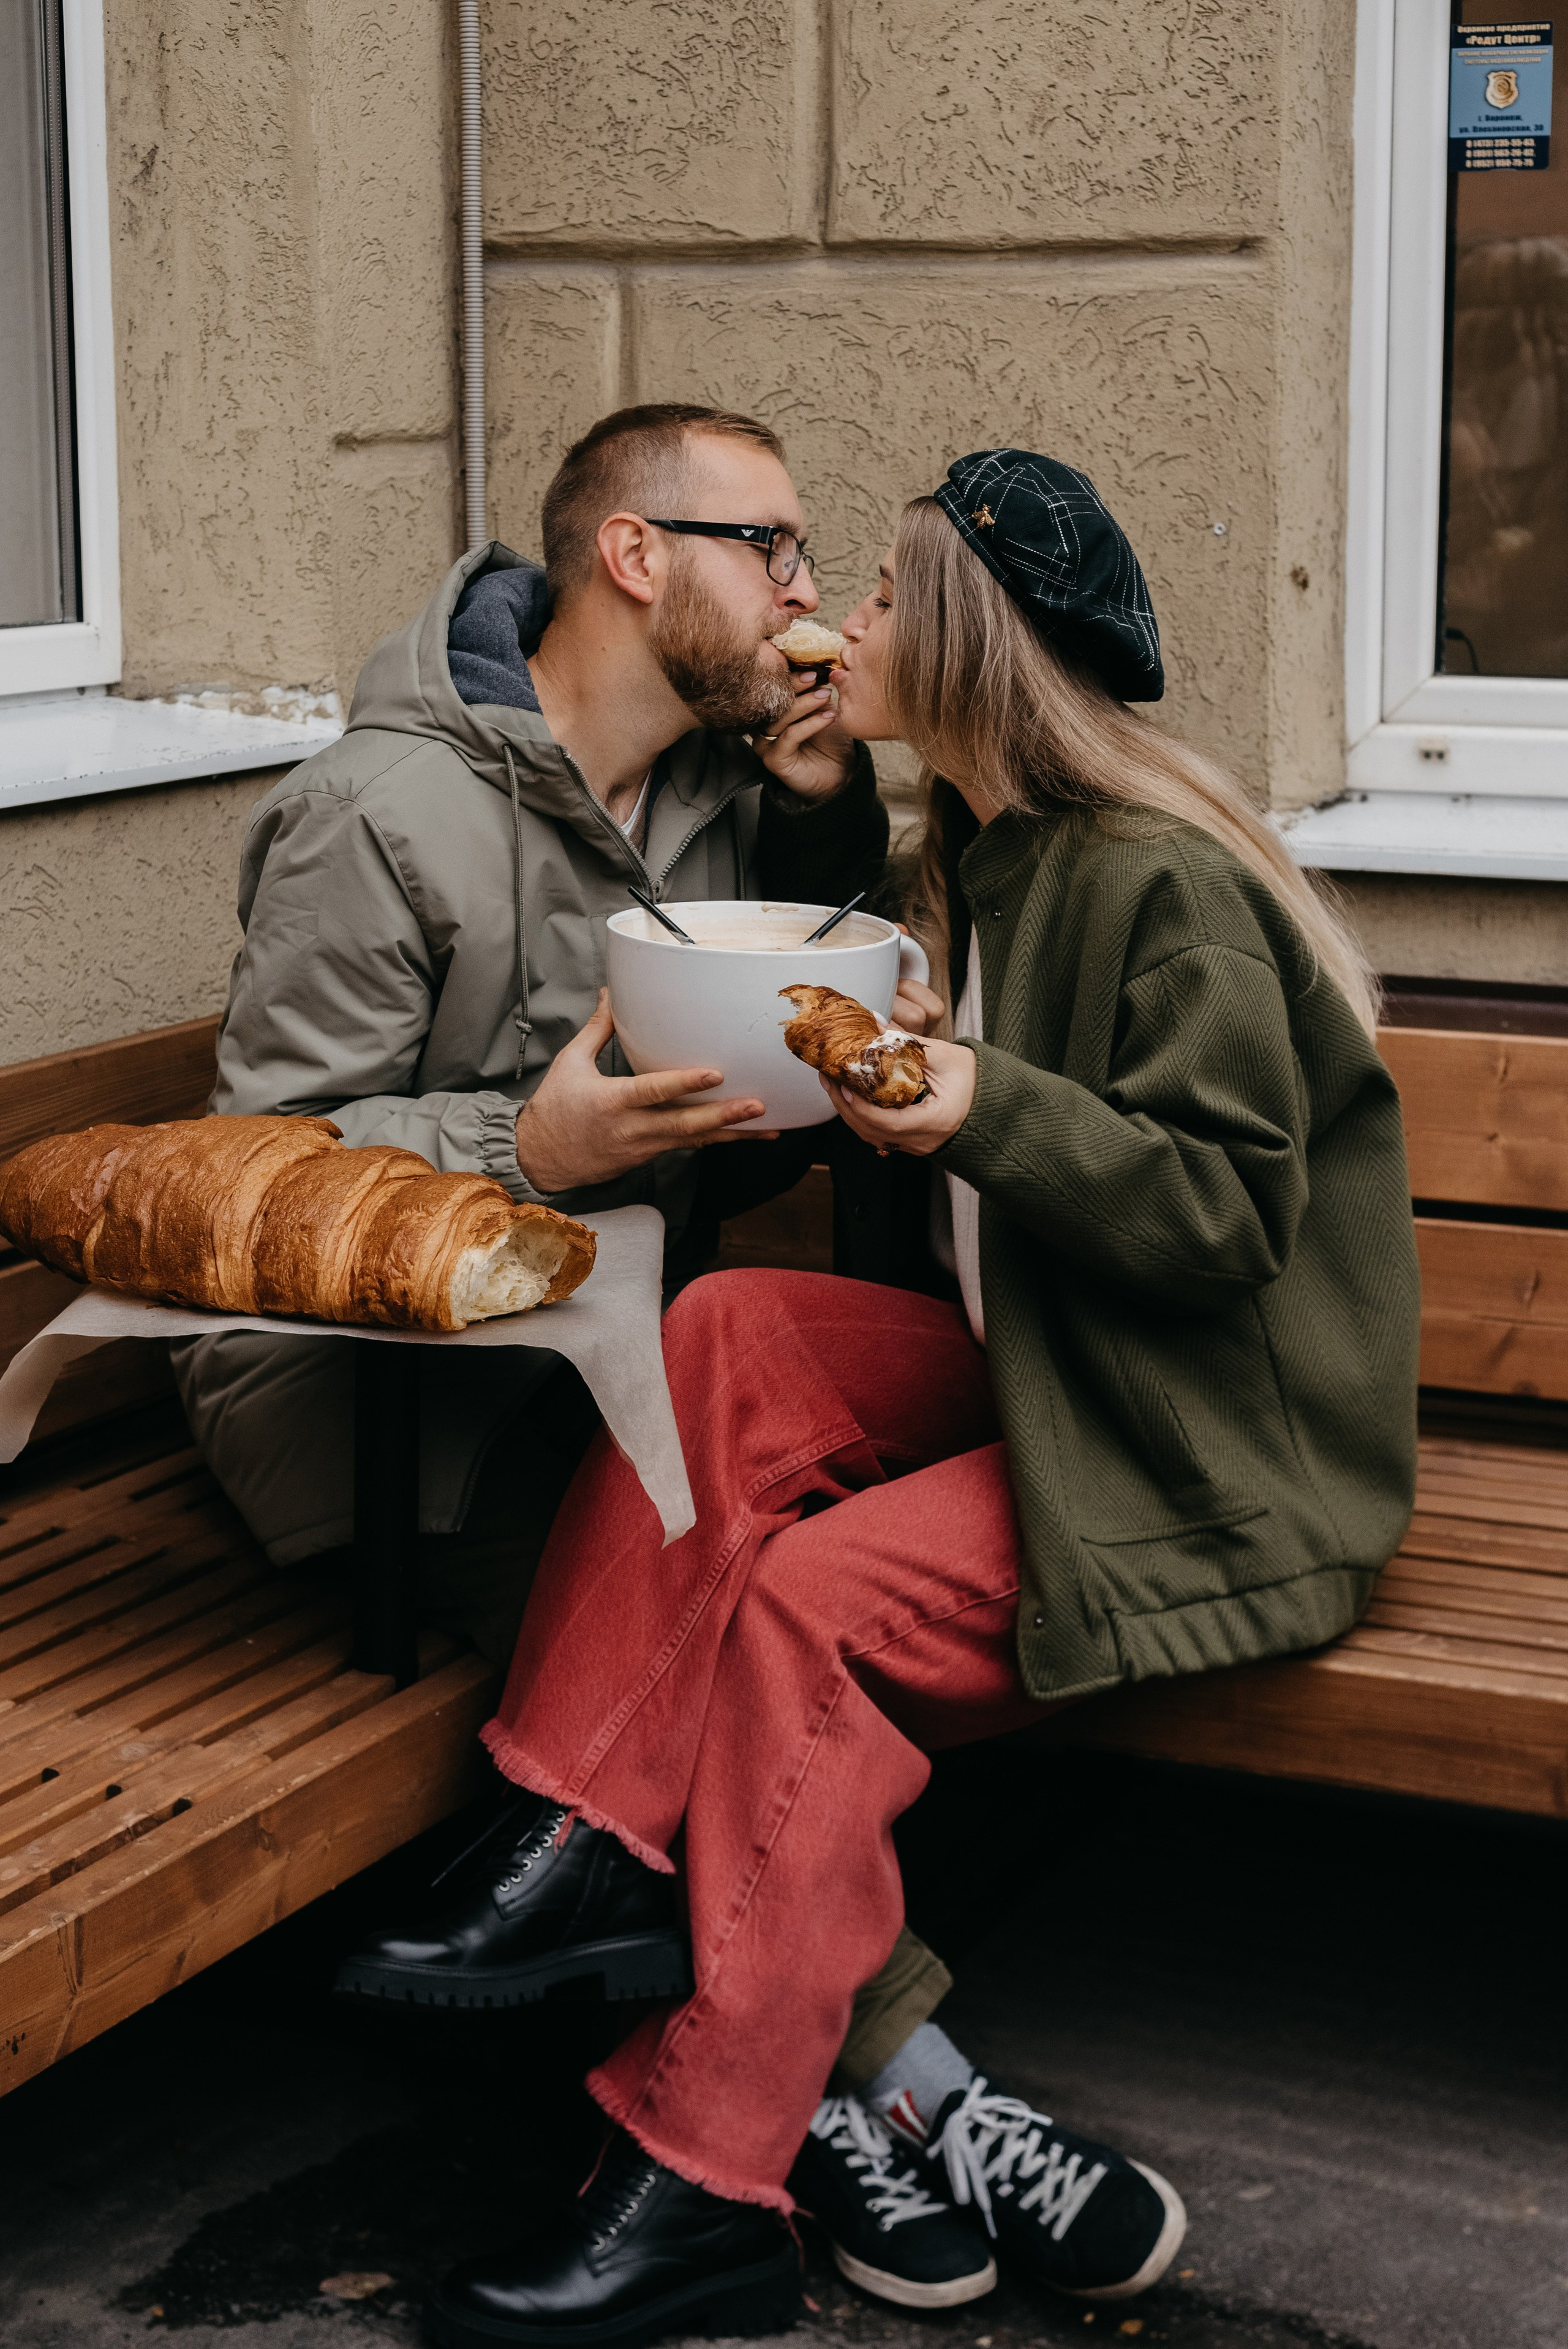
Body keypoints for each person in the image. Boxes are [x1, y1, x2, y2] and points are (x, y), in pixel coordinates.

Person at [407, 452, 1422, 2349]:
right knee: (721, 1333)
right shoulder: (978, 853)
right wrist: (820, 812)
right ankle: (575, 1846)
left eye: (874, 594)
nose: (838, 620)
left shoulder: (1163, 884)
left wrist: (985, 1108)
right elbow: (845, 1008)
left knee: (798, 1609)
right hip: (1055, 1372)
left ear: (957, 640)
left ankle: (703, 2176)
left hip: (1191, 1441)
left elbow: (1223, 1219)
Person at [175, 402, 952, 2110]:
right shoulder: (377, 811)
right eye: (773, 548)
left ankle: (785, 2074)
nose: (803, 592)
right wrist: (522, 1151)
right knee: (717, 1634)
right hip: (366, 1399)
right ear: (635, 557)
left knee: (799, 1585)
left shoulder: (701, 796)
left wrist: (824, 815)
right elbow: (256, 1179)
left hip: (602, 1364)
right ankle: (885, 2100)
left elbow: (763, 1021)